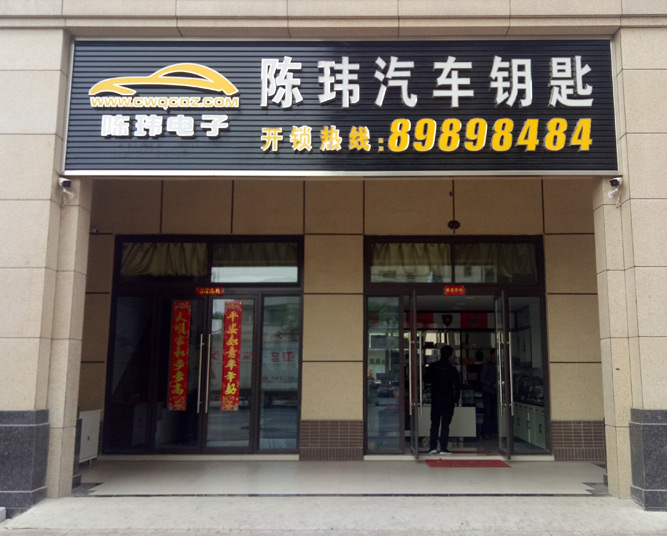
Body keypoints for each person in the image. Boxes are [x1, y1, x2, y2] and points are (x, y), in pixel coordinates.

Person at [424, 345, 461, 455]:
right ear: (450, 356)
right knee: (445, 424)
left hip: (436, 398)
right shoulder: (452, 369)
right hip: (448, 399)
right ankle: (443, 448)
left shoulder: (433, 367)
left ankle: (433, 447)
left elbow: (426, 379)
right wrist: (456, 399)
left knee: (434, 423)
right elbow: (457, 386)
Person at [480, 348, 498, 440]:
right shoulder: (487, 365)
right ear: (492, 355)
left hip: (495, 392)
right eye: (495, 354)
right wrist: (491, 384)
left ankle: (493, 431)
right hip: (488, 391)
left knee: (494, 412)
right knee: (487, 412)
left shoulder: (499, 365)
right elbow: (482, 379)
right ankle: (485, 432)